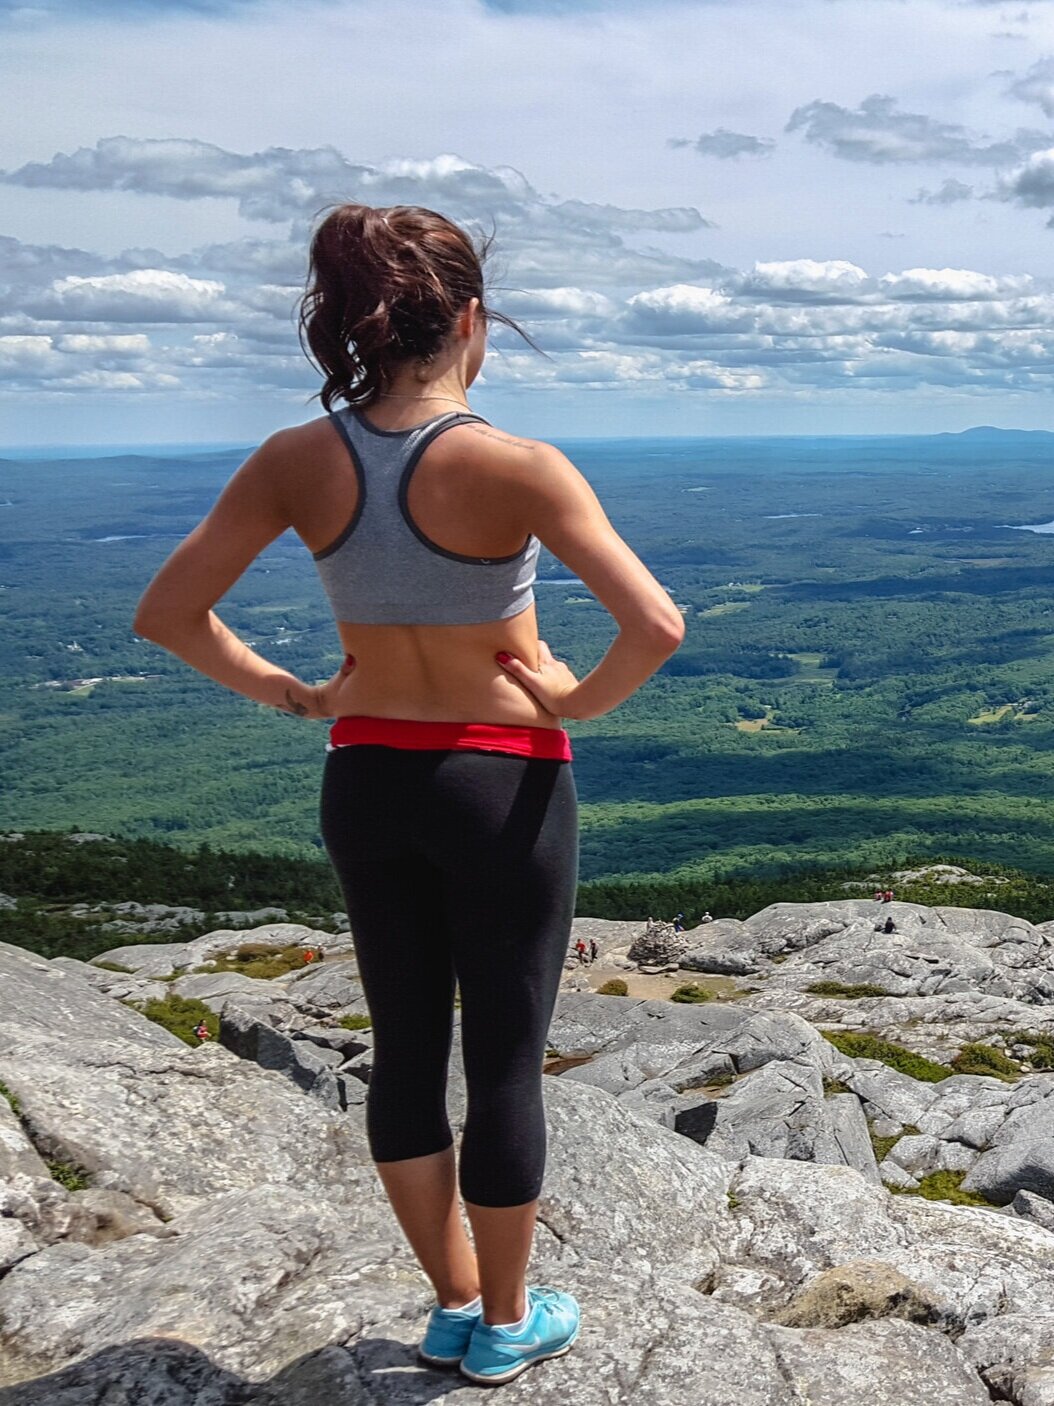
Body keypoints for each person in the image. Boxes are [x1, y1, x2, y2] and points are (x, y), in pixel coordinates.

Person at [132, 202, 684, 1386]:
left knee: (401, 1048)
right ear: (472, 321)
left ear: (349, 325)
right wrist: (572, 699)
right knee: (502, 1058)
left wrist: (295, 692)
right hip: (502, 781)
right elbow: (656, 624)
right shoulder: (518, 466)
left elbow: (168, 614)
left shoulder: (295, 459)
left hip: (366, 778)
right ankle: (507, 1317)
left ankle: (450, 1300)